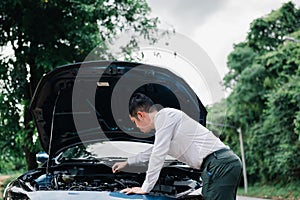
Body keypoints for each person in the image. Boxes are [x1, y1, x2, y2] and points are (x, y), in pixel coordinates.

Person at [112, 93, 242, 199]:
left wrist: (145, 188)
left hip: (219, 164)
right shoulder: (166, 125)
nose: (136, 127)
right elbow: (153, 151)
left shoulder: (165, 116)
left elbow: (158, 154)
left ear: (140, 115)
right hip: (219, 164)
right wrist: (127, 162)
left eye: (134, 122)